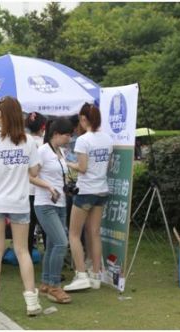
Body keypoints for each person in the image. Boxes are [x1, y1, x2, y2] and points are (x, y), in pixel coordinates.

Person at [0, 96, 42, 316]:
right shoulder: (29, 141)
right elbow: (34, 172)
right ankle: (32, 302)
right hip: (20, 202)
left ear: (1, 115)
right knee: (22, 250)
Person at [64, 103, 113, 291]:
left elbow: (82, 168)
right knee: (94, 233)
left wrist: (68, 163)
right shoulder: (107, 139)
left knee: (73, 234)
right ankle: (96, 274)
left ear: (84, 119)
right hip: (102, 190)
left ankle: (81, 274)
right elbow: (106, 167)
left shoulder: (83, 141)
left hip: (86, 192)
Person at [30, 118, 74, 304]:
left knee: (52, 245)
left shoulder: (60, 152)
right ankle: (55, 286)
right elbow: (31, 176)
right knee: (61, 243)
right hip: (45, 204)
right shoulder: (42, 151)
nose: (69, 138)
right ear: (56, 134)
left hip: (60, 203)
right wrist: (48, 187)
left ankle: (47, 282)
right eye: (67, 135)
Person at [24, 112, 47, 253]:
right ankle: (49, 258)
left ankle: (26, 256)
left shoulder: (23, 142)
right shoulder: (44, 145)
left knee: (28, 226)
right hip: (41, 189)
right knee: (45, 226)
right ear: (43, 127)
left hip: (26, 190)